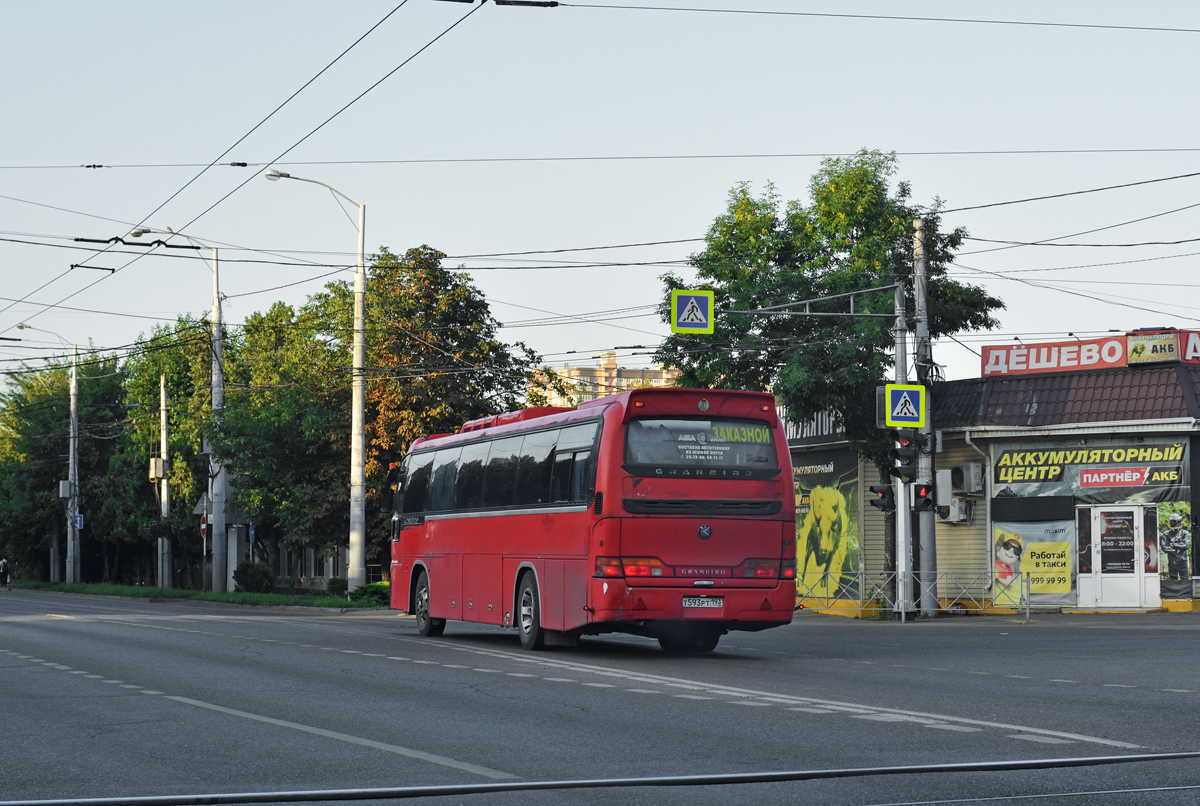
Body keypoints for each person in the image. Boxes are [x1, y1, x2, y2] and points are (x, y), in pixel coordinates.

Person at [1162, 513, 1192, 581]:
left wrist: (1173, 545)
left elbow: (1186, 545)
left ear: (1178, 522)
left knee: (1185, 581)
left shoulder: (1185, 533)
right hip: (1172, 562)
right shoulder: (1166, 534)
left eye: (1173, 522)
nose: (1171, 524)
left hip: (1182, 561)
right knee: (1173, 582)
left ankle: (1185, 592)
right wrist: (1179, 546)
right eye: (1171, 522)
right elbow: (1164, 548)